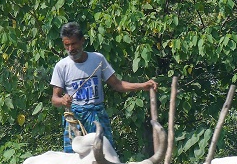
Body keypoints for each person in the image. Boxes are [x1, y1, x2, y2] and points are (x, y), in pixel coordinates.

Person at [51, 21, 158, 152]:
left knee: (105, 156)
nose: (70, 49)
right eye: (67, 45)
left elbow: (118, 85)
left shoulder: (97, 59)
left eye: (74, 44)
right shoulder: (61, 66)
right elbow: (54, 99)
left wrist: (142, 85)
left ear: (82, 41)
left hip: (97, 117)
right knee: (73, 159)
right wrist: (62, 100)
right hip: (75, 120)